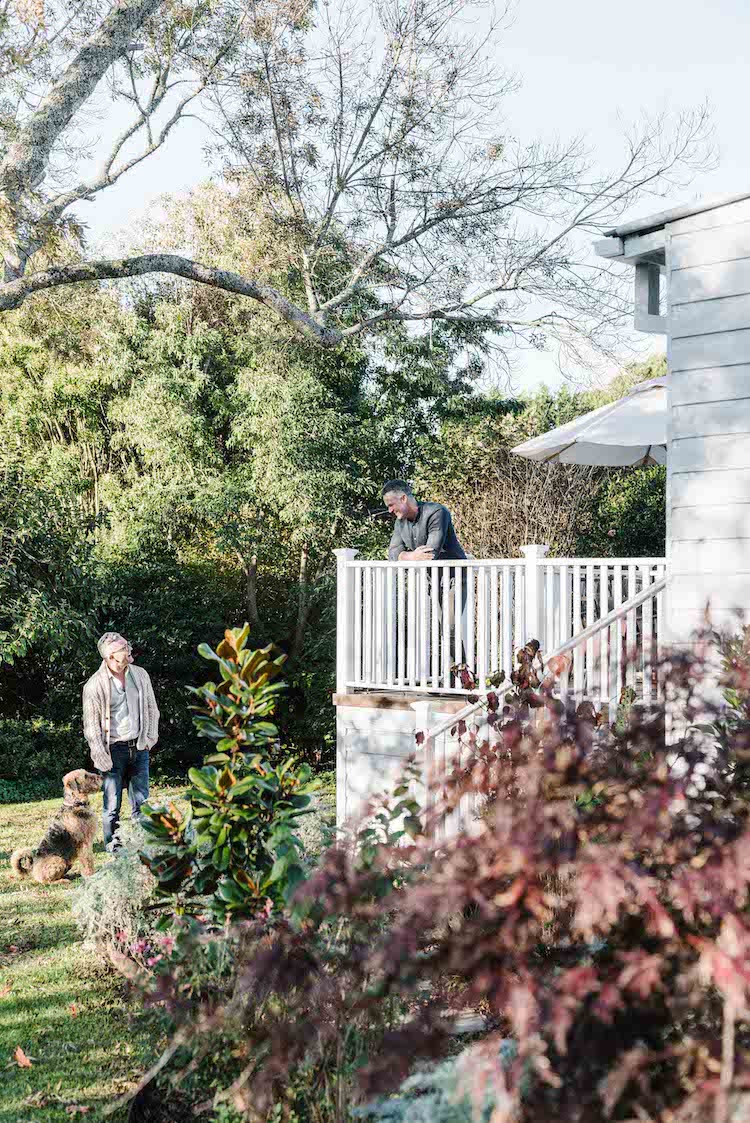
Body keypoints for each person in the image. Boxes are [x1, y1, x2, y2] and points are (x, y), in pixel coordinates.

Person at [82, 632, 159, 853]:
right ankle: (115, 851)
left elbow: (152, 709)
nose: (129, 650)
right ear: (111, 657)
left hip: (139, 746)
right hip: (112, 751)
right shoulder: (94, 685)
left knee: (142, 804)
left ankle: (143, 847)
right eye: (124, 648)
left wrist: (149, 739)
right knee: (112, 807)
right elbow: (91, 727)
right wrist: (100, 756)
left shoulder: (140, 675)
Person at [383, 480, 467, 563]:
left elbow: (430, 554)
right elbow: (392, 553)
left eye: (391, 505)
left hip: (455, 573)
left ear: (403, 499)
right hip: (426, 575)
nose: (389, 510)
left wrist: (402, 556)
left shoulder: (436, 512)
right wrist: (411, 556)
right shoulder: (399, 522)